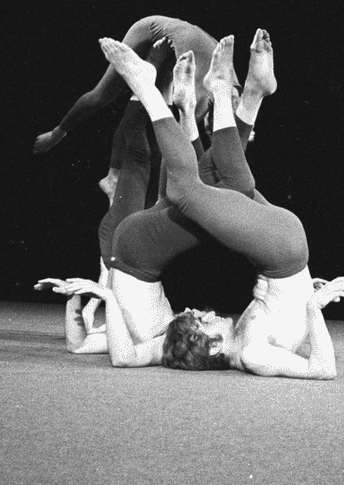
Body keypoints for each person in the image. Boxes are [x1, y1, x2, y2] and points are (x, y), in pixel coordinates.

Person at [51, 31, 344, 379]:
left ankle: (237, 93)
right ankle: (178, 91)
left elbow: (81, 345)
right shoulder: (252, 354)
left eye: (196, 318)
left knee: (225, 186)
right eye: (200, 321)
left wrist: (81, 297)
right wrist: (313, 308)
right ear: (210, 345)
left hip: (280, 249)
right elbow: (322, 370)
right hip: (279, 253)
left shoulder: (208, 345)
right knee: (191, 191)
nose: (200, 312)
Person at [37, 35, 273, 357]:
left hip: (139, 254)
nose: (205, 313)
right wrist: (78, 298)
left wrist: (91, 296)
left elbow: (104, 353)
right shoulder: (166, 336)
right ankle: (191, 108)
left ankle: (159, 91)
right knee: (207, 191)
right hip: (141, 244)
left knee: (226, 188)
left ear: (205, 344)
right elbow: (78, 346)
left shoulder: (161, 347)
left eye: (208, 322)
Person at [32, 15, 226, 156]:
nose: (205, 129)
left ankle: (115, 174)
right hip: (150, 31)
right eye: (209, 129)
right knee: (100, 96)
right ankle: (58, 132)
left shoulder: (229, 93)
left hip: (175, 50)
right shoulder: (205, 97)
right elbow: (179, 145)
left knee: (155, 115)